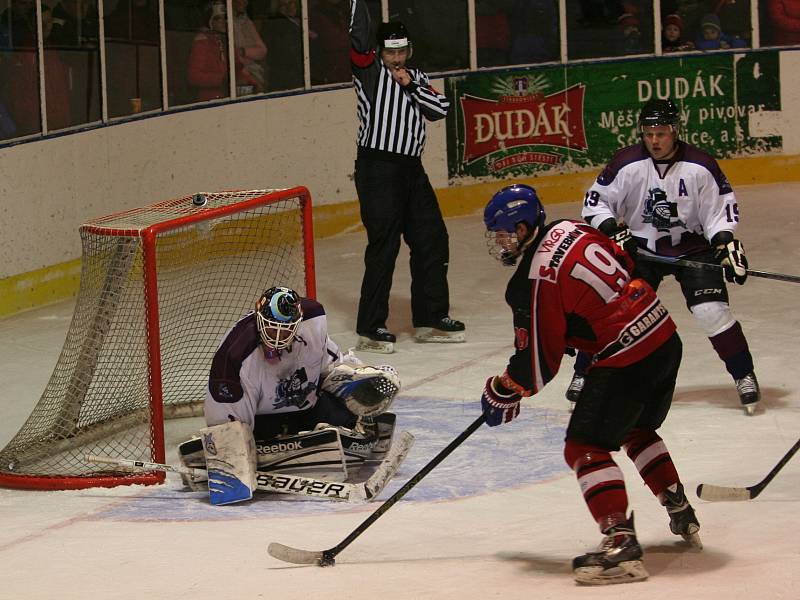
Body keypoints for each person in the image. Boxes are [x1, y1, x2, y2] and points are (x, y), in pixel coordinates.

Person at [481, 183, 701, 585]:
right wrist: (577, 329)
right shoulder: (571, 227)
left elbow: (536, 366)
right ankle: (678, 505)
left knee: (585, 446)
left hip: (627, 356)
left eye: (506, 232)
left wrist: (503, 387)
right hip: (663, 335)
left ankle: (620, 542)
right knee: (634, 426)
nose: (500, 242)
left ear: (527, 227)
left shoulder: (529, 280)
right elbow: (626, 268)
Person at [572, 98, 760, 415]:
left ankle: (743, 373)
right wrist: (611, 228)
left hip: (692, 248)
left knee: (711, 310)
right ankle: (584, 371)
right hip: (641, 250)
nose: (654, 141)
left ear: (675, 131)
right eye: (648, 133)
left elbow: (720, 211)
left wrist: (725, 242)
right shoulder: (626, 164)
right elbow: (595, 203)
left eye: (661, 133)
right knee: (615, 311)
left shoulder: (700, 166)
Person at [179, 286, 402, 505]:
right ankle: (284, 447)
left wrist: (356, 380)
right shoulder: (234, 357)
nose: (277, 336)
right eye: (271, 328)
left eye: (285, 330)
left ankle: (357, 430)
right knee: (236, 444)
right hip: (264, 424)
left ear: (297, 323)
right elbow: (226, 421)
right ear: (258, 318)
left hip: (307, 408)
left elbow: (329, 366)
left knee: (349, 415)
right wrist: (229, 462)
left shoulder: (312, 323)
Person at [348, 0, 465, 354]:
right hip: (378, 168)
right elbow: (358, 37)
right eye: (391, 53)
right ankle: (370, 327)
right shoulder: (369, 73)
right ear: (380, 53)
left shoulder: (418, 78)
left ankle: (430, 317)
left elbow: (440, 109)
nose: (397, 59)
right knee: (384, 246)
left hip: (411, 169)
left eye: (402, 52)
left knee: (432, 237)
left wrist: (411, 83)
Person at [187, 1, 258, 101]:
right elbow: (193, 77)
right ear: (210, 21)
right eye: (218, 18)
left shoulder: (227, 41)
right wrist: (221, 79)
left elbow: (238, 69)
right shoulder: (201, 43)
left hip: (230, 96)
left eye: (226, 18)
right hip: (209, 101)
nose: (224, 22)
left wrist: (252, 82)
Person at [261, 0, 304, 91]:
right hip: (286, 77)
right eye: (285, 4)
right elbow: (283, 52)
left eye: (292, 3)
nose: (291, 6)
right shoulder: (276, 23)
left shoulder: (299, 20)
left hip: (296, 73)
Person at [232, 0, 267, 93]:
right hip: (236, 74)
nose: (244, 2)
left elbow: (262, 51)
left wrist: (243, 51)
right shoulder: (225, 23)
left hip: (253, 71)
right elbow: (233, 56)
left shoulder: (247, 22)